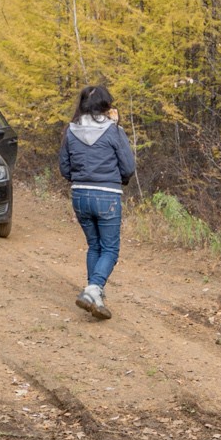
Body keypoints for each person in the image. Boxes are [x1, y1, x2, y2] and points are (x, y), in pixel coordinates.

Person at [58, 84, 137, 319]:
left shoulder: (71, 131)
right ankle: (93, 289)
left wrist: (80, 178)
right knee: (110, 249)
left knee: (95, 245)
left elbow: (64, 168)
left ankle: (95, 297)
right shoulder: (113, 131)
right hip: (107, 195)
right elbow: (129, 167)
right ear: (106, 106)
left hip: (80, 195)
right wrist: (118, 181)